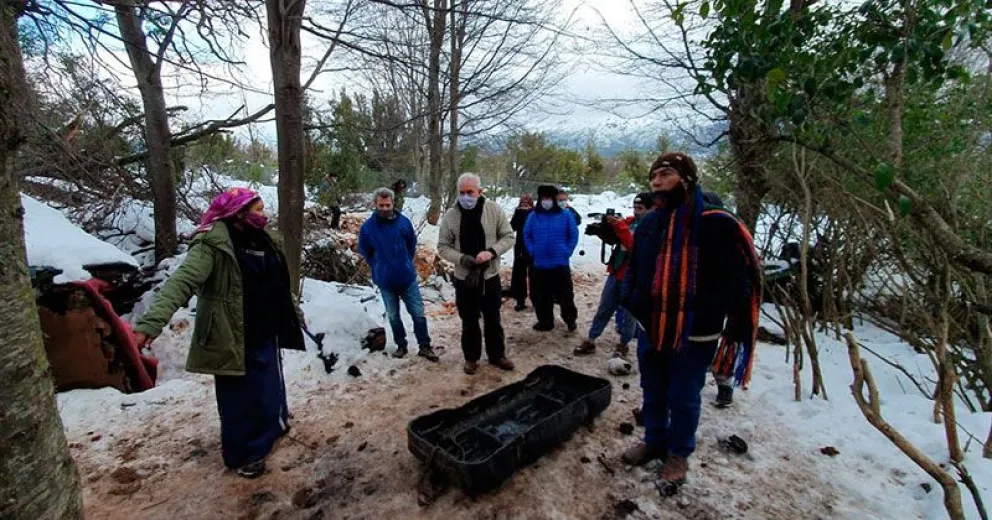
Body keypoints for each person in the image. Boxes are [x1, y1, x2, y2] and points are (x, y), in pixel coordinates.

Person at [132, 187, 304, 479]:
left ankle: (273, 427)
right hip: (232, 332)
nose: (264, 215)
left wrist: (295, 314)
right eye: (258, 210)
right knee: (238, 396)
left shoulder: (266, 239)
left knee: (269, 387)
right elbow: (182, 282)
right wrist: (151, 323)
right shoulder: (213, 245)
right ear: (238, 213)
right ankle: (245, 454)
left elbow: (280, 286)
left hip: (268, 328)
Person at [620, 152, 761, 490]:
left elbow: (738, 281)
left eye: (665, 174)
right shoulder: (650, 222)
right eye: (653, 176)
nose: (656, 182)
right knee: (652, 389)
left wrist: (704, 310)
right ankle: (654, 440)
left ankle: (678, 453)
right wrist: (632, 300)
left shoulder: (714, 222)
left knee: (684, 395)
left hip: (695, 333)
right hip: (650, 326)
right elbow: (635, 267)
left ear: (687, 179)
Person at [437, 173, 516, 374]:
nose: (466, 197)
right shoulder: (451, 216)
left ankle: (497, 355)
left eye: (470, 192)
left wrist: (491, 252)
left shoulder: (493, 210)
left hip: (489, 276)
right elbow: (443, 246)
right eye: (462, 193)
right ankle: (471, 358)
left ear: (479, 191)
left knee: (493, 318)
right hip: (465, 279)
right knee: (469, 320)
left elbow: (508, 237)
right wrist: (462, 258)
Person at [358, 187, 439, 362]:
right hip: (385, 281)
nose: (385, 208)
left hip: (407, 278)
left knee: (418, 314)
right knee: (394, 317)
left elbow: (411, 243)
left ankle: (424, 346)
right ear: (375, 204)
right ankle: (401, 345)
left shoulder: (403, 222)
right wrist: (377, 264)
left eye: (388, 205)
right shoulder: (368, 228)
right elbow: (364, 249)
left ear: (393, 203)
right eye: (381, 205)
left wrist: (405, 262)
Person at [574, 192, 651, 358]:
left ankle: (624, 344)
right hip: (617, 271)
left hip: (634, 277)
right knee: (605, 307)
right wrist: (604, 229)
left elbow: (634, 246)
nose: (637, 211)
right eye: (635, 207)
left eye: (641, 208)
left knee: (629, 314)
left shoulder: (651, 228)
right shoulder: (629, 221)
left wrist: (619, 227)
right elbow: (616, 239)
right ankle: (591, 339)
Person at [524, 185, 579, 332]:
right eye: (544, 198)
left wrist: (567, 251)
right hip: (540, 264)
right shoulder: (533, 216)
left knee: (566, 296)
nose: (546, 201)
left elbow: (573, 234)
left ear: (554, 199)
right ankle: (545, 321)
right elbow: (526, 235)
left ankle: (570, 320)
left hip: (560, 263)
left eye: (549, 198)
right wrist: (533, 250)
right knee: (542, 296)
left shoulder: (565, 215)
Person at [509, 194, 535, 311]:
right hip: (520, 248)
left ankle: (536, 300)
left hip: (533, 249)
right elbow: (511, 227)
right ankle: (520, 300)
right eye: (522, 204)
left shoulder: (535, 214)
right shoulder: (518, 213)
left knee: (535, 276)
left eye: (526, 204)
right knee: (519, 275)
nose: (524, 206)